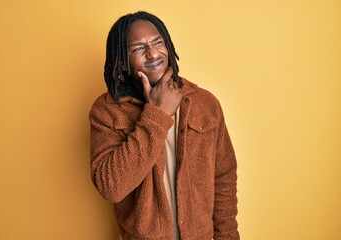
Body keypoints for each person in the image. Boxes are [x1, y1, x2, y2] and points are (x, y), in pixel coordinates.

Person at [89, 11, 239, 240]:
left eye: (157, 42)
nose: (152, 53)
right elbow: (111, 187)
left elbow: (224, 179)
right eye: (138, 48)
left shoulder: (205, 103)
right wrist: (157, 114)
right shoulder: (107, 111)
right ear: (122, 60)